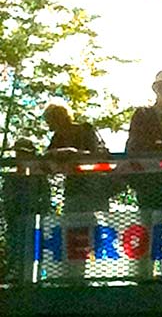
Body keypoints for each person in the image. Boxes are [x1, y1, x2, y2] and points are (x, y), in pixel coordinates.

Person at [125, 70, 162, 212]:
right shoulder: (143, 114)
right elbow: (134, 146)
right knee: (150, 226)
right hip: (148, 182)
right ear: (155, 89)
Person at [43, 103, 109, 213]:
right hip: (73, 186)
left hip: (93, 183)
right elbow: (47, 155)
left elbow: (95, 154)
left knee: (94, 221)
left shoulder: (85, 130)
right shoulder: (57, 137)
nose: (49, 126)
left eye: (50, 121)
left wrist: (72, 153)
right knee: (72, 220)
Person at [2, 138, 50, 285]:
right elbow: (7, 199)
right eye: (18, 153)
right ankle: (16, 276)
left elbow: (45, 198)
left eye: (23, 153)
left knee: (35, 251)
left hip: (34, 221)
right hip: (15, 221)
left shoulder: (39, 177)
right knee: (16, 248)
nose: (20, 156)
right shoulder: (11, 178)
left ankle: (36, 278)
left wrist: (41, 214)